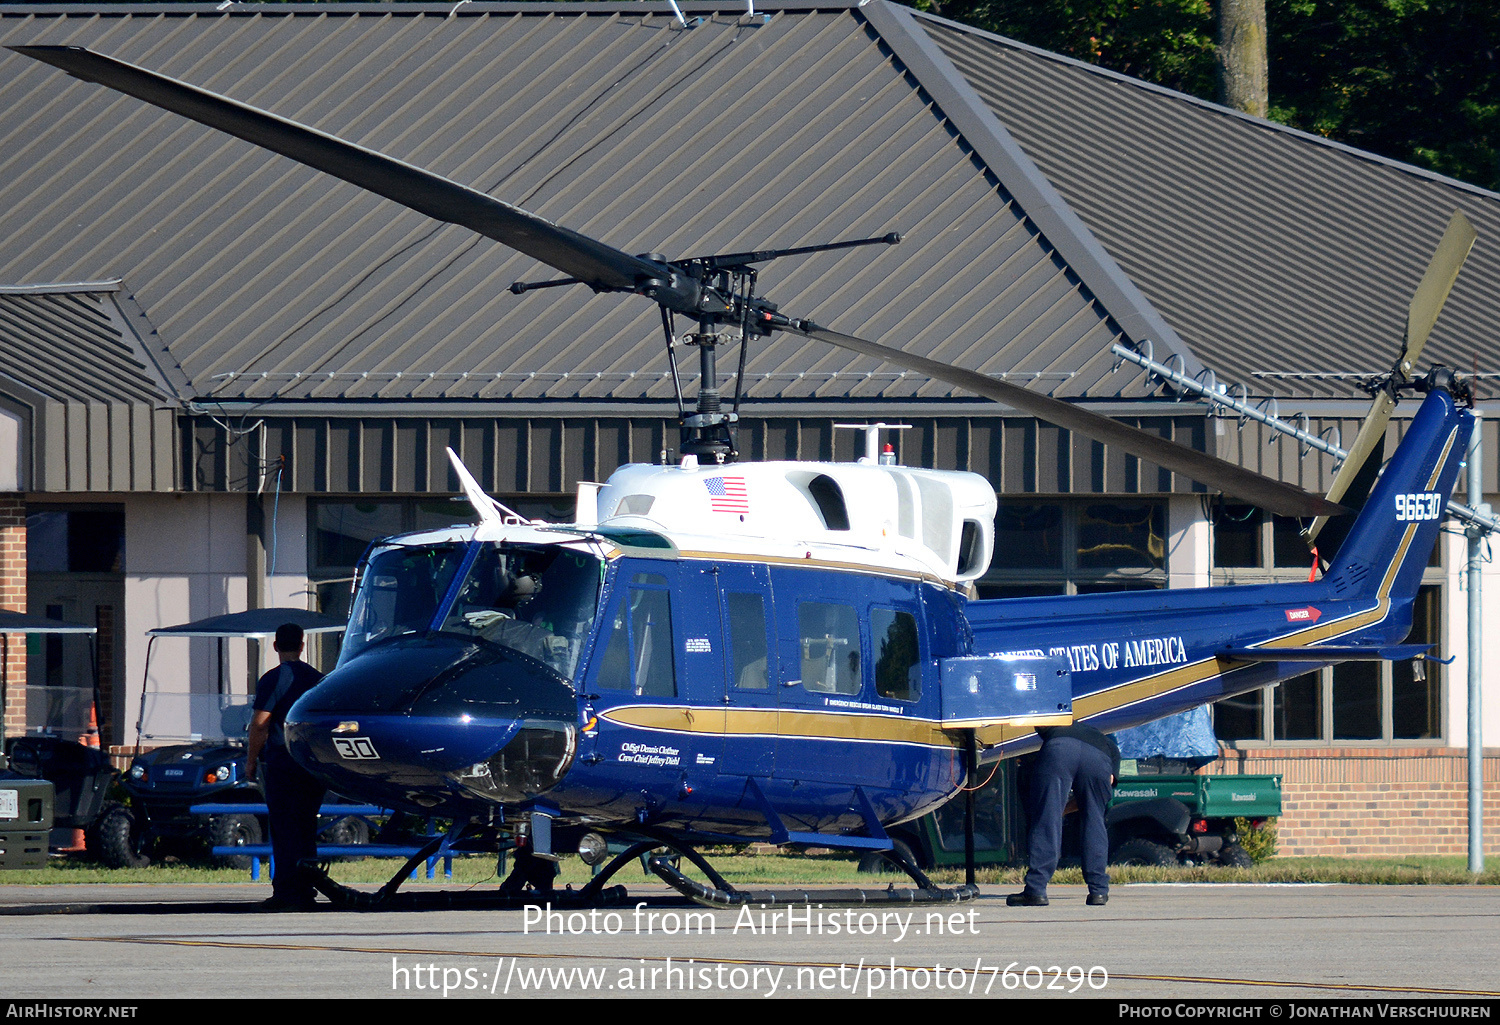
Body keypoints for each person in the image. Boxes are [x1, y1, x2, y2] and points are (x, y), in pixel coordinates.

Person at [246, 623, 326, 911]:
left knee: (283, 826)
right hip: (312, 763)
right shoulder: (319, 679)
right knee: (306, 825)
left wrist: (251, 760)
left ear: (275, 646)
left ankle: (286, 888)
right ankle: (308, 884)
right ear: (302, 646)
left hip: (281, 762)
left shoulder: (273, 679)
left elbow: (260, 724)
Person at [1008, 722, 1120, 907]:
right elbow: (1106, 783)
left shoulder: (1056, 731)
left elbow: (1047, 812)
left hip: (1060, 749)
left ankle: (1036, 890)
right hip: (1100, 756)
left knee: (1046, 821)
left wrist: (1052, 811)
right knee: (1095, 821)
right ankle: (1098, 892)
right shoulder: (1103, 739)